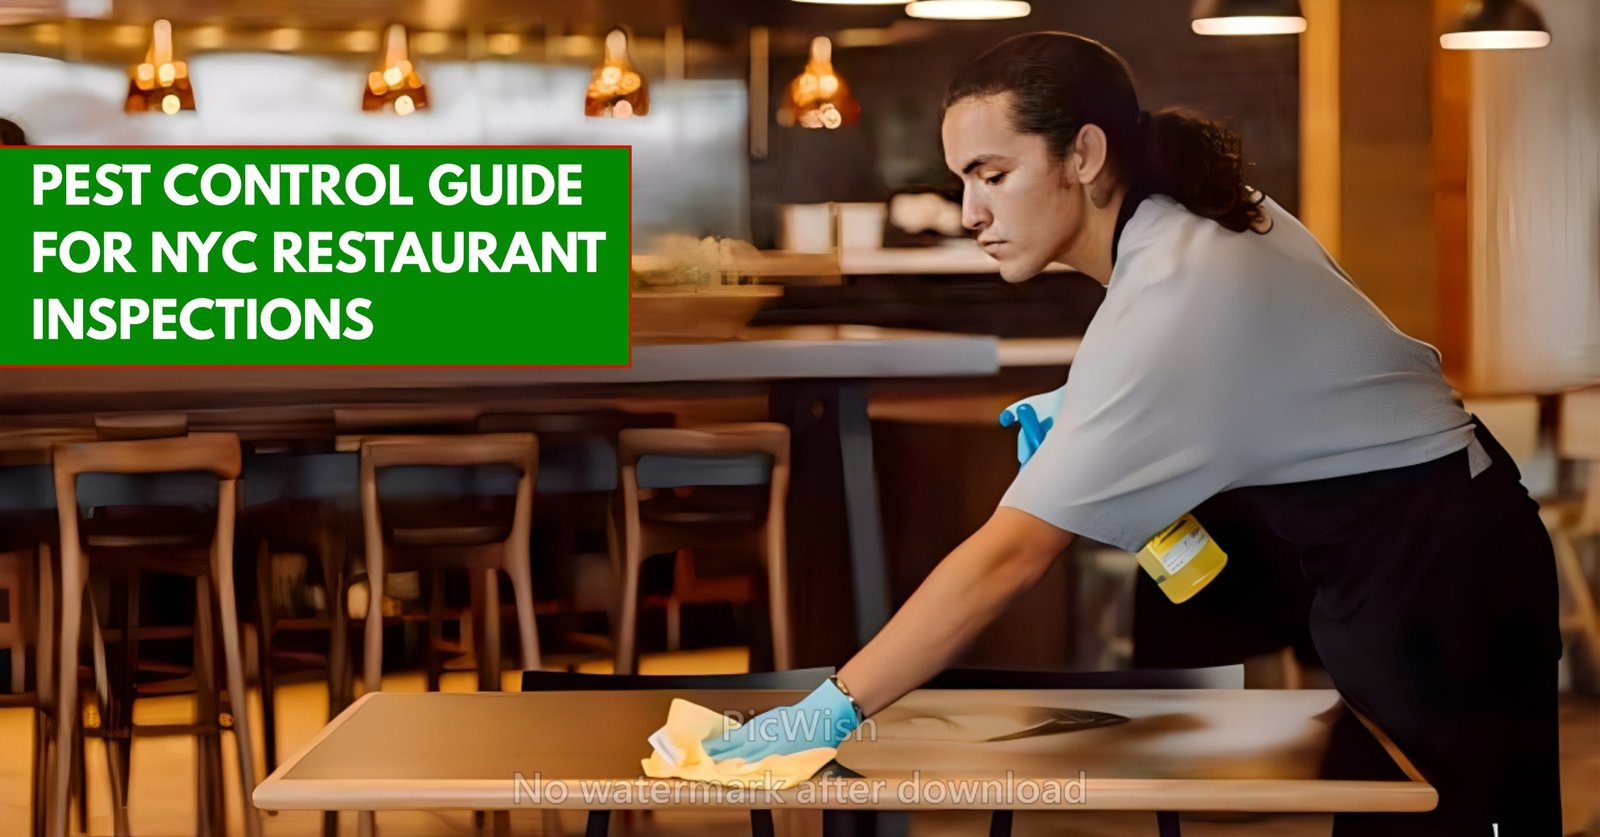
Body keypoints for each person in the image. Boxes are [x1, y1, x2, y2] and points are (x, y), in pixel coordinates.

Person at [702, 31, 1561, 836]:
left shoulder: (1175, 283)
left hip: (1443, 579)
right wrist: (1088, 404)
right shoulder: (1188, 225)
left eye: (992, 175)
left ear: (1083, 154)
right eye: (963, 179)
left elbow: (1010, 556)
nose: (969, 212)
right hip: (1408, 560)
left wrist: (832, 708)